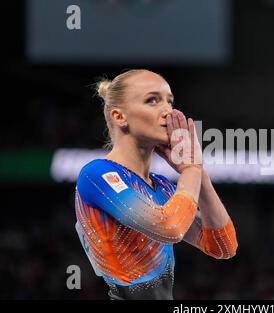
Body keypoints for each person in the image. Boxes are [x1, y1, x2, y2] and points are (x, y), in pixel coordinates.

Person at [74, 69, 238, 300]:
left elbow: (223, 247)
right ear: (119, 116)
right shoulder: (96, 174)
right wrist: (190, 170)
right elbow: (169, 227)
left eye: (169, 102)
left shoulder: (162, 187)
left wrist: (200, 175)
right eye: (152, 100)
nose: (168, 112)